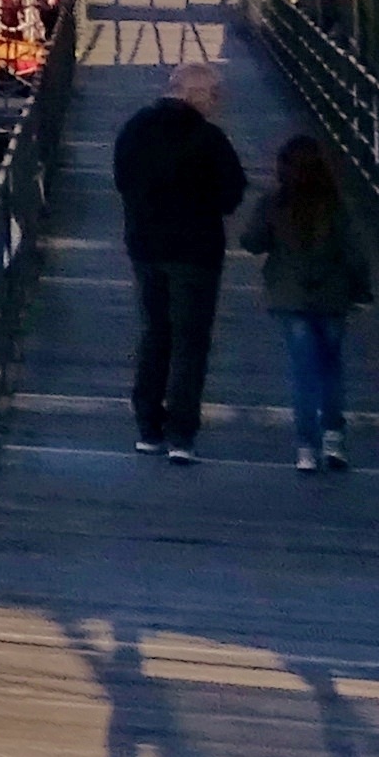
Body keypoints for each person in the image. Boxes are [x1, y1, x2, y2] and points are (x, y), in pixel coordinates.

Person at [111, 59, 250, 460]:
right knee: (191, 340)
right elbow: (231, 194)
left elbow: (122, 180)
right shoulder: (208, 138)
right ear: (195, 93)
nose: (218, 102)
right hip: (196, 253)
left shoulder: (135, 129)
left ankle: (148, 427)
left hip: (146, 247)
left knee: (155, 333)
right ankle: (182, 434)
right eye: (214, 94)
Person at [237, 131, 379, 472]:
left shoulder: (274, 204)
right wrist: (361, 292)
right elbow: (354, 255)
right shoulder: (335, 206)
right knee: (331, 370)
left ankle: (306, 447)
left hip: (290, 298)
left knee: (303, 374)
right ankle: (334, 439)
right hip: (332, 298)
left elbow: (252, 241)